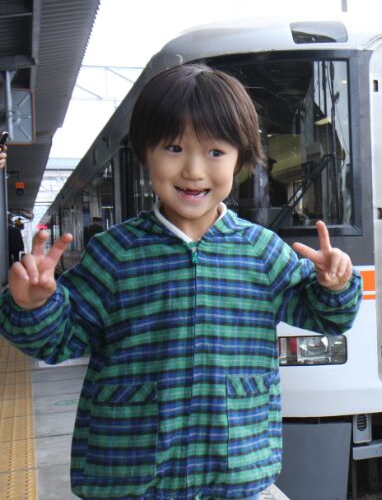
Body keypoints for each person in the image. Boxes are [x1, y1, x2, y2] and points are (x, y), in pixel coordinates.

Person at [0, 63, 362, 500]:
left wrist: (336, 285)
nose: (193, 170)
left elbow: (327, 317)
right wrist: (35, 307)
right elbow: (59, 341)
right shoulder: (116, 253)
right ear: (145, 154)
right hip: (132, 477)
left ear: (241, 160)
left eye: (215, 152)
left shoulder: (262, 251)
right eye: (173, 147)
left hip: (235, 473)